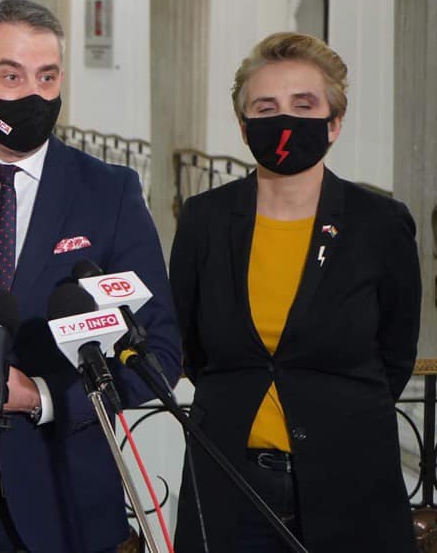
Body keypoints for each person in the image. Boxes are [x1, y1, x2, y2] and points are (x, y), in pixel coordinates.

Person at [0, 0, 182, 552]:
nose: (34, 95)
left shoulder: (109, 192)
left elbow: (161, 355)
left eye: (47, 77)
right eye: (11, 76)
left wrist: (42, 397)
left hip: (69, 503)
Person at [170, 32, 420, 552]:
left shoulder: (380, 224)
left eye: (303, 105)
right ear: (244, 127)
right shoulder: (204, 219)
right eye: (266, 107)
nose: (284, 120)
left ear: (334, 123)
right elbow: (189, 344)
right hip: (228, 483)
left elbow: (395, 355)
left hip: (352, 482)